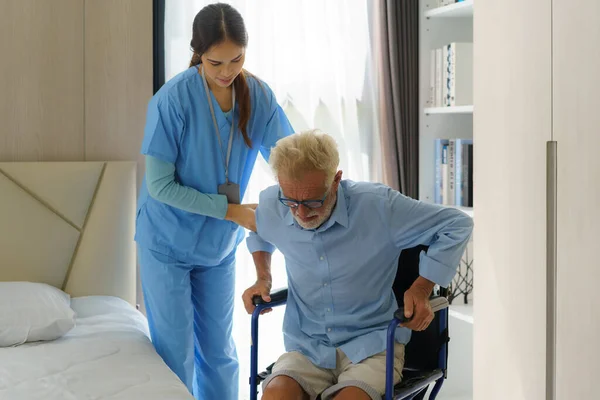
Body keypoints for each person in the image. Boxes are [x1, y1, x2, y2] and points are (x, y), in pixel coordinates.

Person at [134, 3, 294, 399]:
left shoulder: (256, 94)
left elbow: (289, 157)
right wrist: (232, 211)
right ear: (197, 53)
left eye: (236, 59)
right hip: (166, 243)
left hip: (218, 246)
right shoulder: (172, 100)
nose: (227, 71)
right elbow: (160, 187)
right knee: (176, 357)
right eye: (215, 61)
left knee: (221, 355)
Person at [242, 130, 473, 400]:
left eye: (313, 201)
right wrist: (263, 278)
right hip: (307, 348)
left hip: (373, 346)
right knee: (276, 395)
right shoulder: (273, 202)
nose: (301, 213)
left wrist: (422, 288)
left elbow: (457, 224)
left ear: (336, 180)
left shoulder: (379, 206)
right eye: (292, 202)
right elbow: (258, 229)